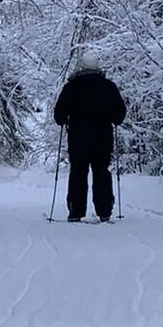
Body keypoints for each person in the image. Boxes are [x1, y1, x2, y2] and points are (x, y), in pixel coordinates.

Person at [53, 51, 127, 222]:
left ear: (82, 65)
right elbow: (120, 113)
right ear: (97, 66)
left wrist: (65, 119)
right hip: (103, 137)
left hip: (78, 137)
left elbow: (59, 115)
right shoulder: (109, 86)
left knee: (78, 171)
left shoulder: (71, 86)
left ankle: (75, 211)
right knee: (102, 172)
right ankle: (105, 211)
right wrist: (113, 119)